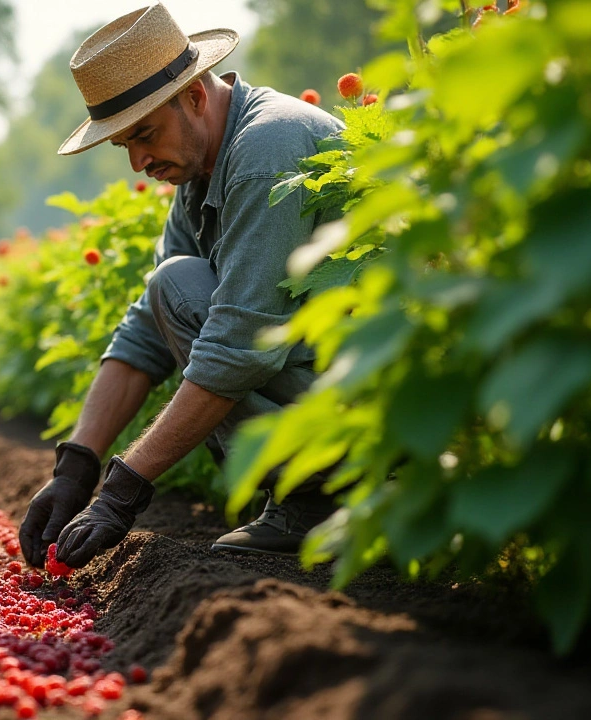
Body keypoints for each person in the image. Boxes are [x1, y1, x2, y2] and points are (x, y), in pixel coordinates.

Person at [17, 3, 345, 569]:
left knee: (181, 286)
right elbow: (149, 324)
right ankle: (314, 499)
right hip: (328, 378)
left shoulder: (268, 150)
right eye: (124, 145)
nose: (139, 161)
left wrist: (124, 490)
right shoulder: (199, 174)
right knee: (172, 286)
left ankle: (330, 501)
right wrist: (77, 466)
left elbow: (237, 347)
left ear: (195, 95)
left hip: (372, 393)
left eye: (144, 134)